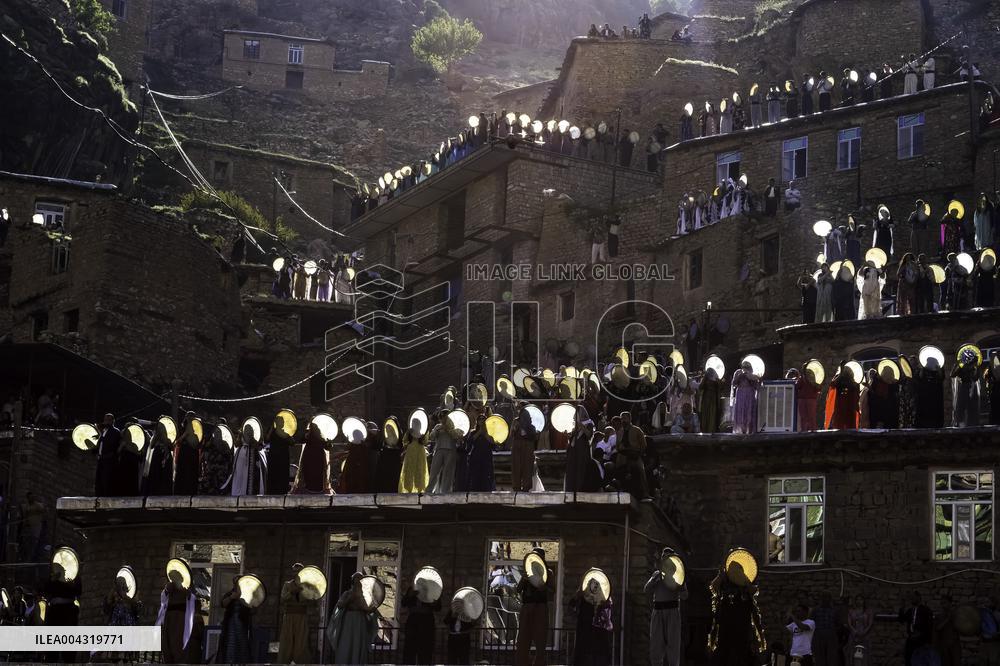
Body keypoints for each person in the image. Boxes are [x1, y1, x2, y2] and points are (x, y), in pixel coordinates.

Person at [646, 550, 687, 666]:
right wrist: (656, 578)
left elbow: (685, 596)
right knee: (656, 644)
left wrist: (680, 586)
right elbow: (646, 589)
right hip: (658, 611)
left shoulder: (678, 577)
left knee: (673, 645)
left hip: (672, 612)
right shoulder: (656, 575)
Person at [515, 548, 554, 666]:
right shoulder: (527, 571)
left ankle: (539, 662)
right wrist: (524, 579)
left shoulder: (548, 572)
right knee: (523, 639)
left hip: (540, 608)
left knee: (540, 639)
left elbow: (552, 591)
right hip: (527, 607)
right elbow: (518, 590)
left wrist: (544, 587)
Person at [327, 573, 378, 664]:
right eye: (356, 580)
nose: (358, 582)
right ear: (353, 582)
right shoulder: (347, 594)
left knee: (358, 644)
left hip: (360, 622)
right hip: (348, 622)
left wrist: (370, 608)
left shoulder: (366, 596)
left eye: (360, 580)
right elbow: (340, 605)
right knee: (346, 644)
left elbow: (369, 609)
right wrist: (351, 598)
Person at [571, 576, 613, 666]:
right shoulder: (582, 597)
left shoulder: (604, 599)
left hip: (599, 639)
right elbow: (571, 607)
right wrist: (577, 596)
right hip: (585, 636)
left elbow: (607, 621)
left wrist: (604, 606)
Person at [157, 568, 196, 663]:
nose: (173, 580)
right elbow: (163, 598)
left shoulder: (186, 592)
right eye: (172, 578)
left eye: (175, 577)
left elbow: (192, 601)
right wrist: (167, 590)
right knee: (168, 643)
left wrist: (184, 592)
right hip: (169, 621)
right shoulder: (169, 589)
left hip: (180, 621)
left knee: (178, 644)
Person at [277, 564, 312, 664]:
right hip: (289, 616)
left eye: (298, 571)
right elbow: (283, 598)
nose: (296, 573)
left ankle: (300, 662)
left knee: (301, 642)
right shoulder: (287, 585)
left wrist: (301, 592)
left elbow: (310, 599)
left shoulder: (306, 586)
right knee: (287, 641)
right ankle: (284, 662)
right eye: (294, 571)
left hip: (301, 616)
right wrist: (291, 593)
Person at [402, 581, 441, 664]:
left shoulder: (432, 590)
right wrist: (410, 596)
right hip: (413, 623)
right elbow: (403, 603)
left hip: (426, 623)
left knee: (426, 650)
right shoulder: (412, 589)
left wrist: (433, 602)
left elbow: (438, 607)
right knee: (410, 650)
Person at [291, 419, 333, 494]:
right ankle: (315, 488)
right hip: (315, 460)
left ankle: (312, 488)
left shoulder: (311, 438)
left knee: (312, 473)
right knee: (314, 473)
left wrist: (329, 443)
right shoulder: (317, 438)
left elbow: (301, 440)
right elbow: (328, 447)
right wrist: (329, 443)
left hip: (311, 460)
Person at [217, 576, 253, 663]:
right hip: (230, 624)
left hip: (242, 624)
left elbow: (253, 609)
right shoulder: (230, 593)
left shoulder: (247, 594)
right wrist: (231, 597)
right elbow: (223, 604)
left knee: (242, 647)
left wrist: (244, 600)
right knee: (230, 646)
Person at [616, 411, 648, 499]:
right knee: (621, 474)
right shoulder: (619, 431)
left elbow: (643, 444)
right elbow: (617, 445)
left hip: (635, 455)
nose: (623, 420)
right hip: (623, 456)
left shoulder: (637, 430)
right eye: (622, 419)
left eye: (625, 418)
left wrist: (638, 453)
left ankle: (645, 493)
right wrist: (621, 448)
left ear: (630, 419)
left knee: (641, 472)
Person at [900, 592, 933, 666]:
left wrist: (927, 641)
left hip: (921, 640)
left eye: (914, 597)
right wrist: (902, 608)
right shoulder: (910, 610)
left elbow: (929, 626)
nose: (912, 599)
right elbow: (902, 620)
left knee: (920, 661)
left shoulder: (926, 610)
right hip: (911, 639)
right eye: (911, 597)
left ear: (919, 598)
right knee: (908, 659)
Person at [465, 411, 496, 491]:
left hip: (486, 456)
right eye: (480, 419)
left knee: (486, 476)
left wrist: (485, 434)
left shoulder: (490, 432)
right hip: (476, 456)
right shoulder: (473, 432)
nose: (482, 421)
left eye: (483, 419)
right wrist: (479, 432)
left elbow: (493, 444)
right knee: (475, 475)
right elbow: (470, 442)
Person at [730, 361, 760, 434]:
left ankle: (749, 429)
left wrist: (751, 379)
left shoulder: (752, 375)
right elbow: (733, 383)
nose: (746, 368)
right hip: (740, 393)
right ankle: (741, 429)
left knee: (748, 410)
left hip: (749, 394)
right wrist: (740, 376)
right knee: (740, 410)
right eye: (744, 367)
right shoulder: (738, 372)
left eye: (747, 367)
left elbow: (756, 386)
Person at [811, 592, 839, 666]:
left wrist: (833, 632)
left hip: (831, 634)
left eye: (827, 597)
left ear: (830, 599)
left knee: (831, 657)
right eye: (824, 597)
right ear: (821, 599)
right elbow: (811, 622)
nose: (826, 599)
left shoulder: (834, 610)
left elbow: (838, 623)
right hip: (818, 634)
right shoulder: (815, 610)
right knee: (819, 656)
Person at [95, 413, 120, 496]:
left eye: (109, 420)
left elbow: (112, 444)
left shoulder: (115, 431)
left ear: (113, 421)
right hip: (101, 459)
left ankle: (106, 497)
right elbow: (100, 444)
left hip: (109, 460)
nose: (106, 422)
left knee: (107, 481)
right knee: (99, 480)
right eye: (105, 420)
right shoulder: (104, 431)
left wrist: (101, 434)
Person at [847, 595, 874, 666]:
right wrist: (855, 632)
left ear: (864, 601)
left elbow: (870, 624)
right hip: (854, 637)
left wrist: (864, 632)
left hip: (865, 636)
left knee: (865, 655)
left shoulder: (868, 611)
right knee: (853, 655)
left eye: (861, 599)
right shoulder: (851, 611)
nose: (859, 601)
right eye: (857, 599)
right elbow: (849, 623)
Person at [933, 595, 960, 666]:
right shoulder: (939, 616)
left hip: (955, 645)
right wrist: (947, 619)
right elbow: (937, 628)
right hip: (944, 645)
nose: (943, 605)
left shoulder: (956, 615)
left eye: (944, 603)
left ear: (950, 603)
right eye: (941, 603)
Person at [980, 595, 1000, 666]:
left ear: (994, 603)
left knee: (993, 662)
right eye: (985, 602)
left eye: (988, 602)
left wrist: (997, 634)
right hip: (984, 643)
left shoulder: (998, 615)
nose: (986, 604)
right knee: (983, 662)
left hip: (994, 643)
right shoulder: (983, 615)